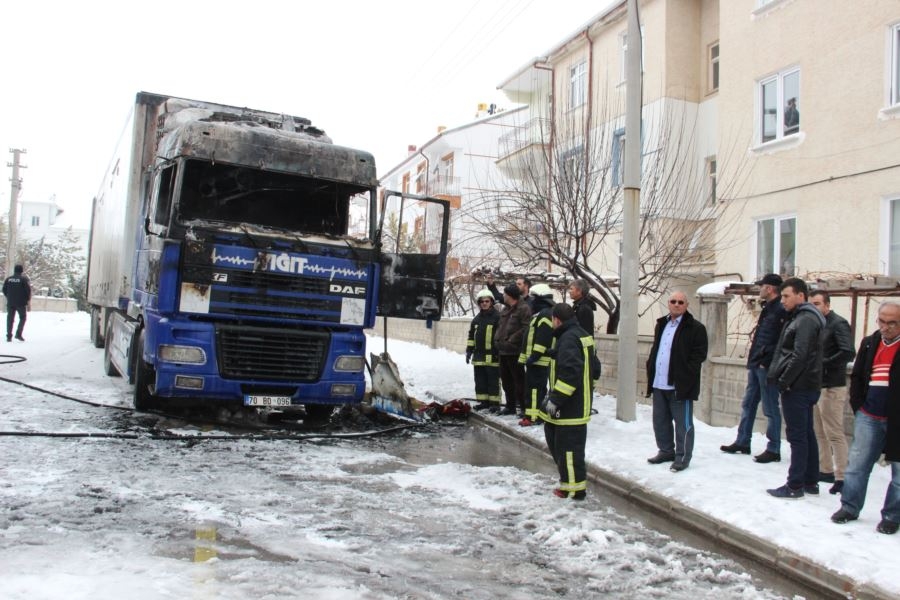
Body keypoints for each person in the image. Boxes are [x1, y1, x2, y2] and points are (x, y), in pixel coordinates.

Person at [831, 302, 900, 535]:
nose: (886, 327)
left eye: (893, 323)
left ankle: (892, 516)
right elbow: (858, 376)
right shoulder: (869, 343)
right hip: (869, 415)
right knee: (857, 466)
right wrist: (859, 406)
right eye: (882, 321)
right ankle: (849, 507)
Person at [766, 277, 825, 499]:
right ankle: (810, 481)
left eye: (786, 296)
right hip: (803, 385)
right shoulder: (801, 317)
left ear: (801, 295)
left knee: (798, 436)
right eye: (782, 296)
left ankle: (795, 485)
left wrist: (784, 382)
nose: (783, 300)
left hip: (799, 386)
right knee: (806, 433)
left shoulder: (806, 319)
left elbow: (799, 355)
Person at [721, 273, 787, 463]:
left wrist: (766, 361)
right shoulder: (769, 308)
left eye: (762, 286)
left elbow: (780, 341)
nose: (760, 289)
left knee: (770, 408)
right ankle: (742, 441)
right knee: (748, 403)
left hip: (766, 366)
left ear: (770, 288)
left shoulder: (780, 310)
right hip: (757, 363)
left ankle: (773, 448)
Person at [539, 302, 598, 500]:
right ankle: (570, 484)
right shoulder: (580, 334)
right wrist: (556, 353)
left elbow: (571, 372)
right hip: (577, 404)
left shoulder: (568, 339)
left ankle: (574, 490)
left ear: (556, 319)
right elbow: (593, 366)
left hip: (570, 408)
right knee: (563, 447)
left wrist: (555, 400)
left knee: (568, 451)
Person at [646, 291, 709, 472]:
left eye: (681, 302)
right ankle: (666, 451)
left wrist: (685, 375)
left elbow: (699, 355)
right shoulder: (662, 324)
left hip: (679, 385)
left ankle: (682, 457)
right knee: (660, 420)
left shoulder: (695, 328)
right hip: (659, 383)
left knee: (683, 424)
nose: (676, 304)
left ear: (686, 305)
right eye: (673, 301)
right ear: (668, 303)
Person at [809, 290, 856, 494]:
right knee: (819, 432)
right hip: (817, 384)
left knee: (834, 433)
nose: (815, 307)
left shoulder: (838, 323)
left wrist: (823, 364)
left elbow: (848, 351)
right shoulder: (816, 324)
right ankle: (825, 469)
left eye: (818, 303)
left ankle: (842, 475)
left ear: (827, 305)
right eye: (811, 304)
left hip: (832, 386)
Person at [518, 283, 555, 427]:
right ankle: (536, 414)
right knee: (536, 389)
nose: (531, 301)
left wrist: (535, 356)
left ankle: (532, 417)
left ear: (540, 299)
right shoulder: (540, 314)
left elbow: (543, 338)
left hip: (539, 361)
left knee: (533, 390)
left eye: (533, 298)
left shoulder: (545, 314)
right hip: (536, 361)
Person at [494, 283, 532, 417]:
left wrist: (512, 339)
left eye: (504, 294)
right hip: (503, 351)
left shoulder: (523, 309)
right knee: (506, 381)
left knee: (519, 381)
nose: (503, 296)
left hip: (515, 351)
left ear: (510, 295)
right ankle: (510, 406)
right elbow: (501, 326)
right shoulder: (505, 309)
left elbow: (526, 328)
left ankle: (523, 407)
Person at [466, 289, 501, 412]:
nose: (484, 303)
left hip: (493, 356)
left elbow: (501, 336)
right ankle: (483, 402)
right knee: (480, 381)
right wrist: (469, 351)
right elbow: (471, 336)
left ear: (491, 302)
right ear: (479, 303)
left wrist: (499, 352)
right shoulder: (476, 319)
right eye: (482, 302)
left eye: (487, 301)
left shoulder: (498, 317)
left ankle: (494, 404)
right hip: (479, 356)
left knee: (493, 381)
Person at [3, 264, 32, 342]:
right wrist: (27, 300)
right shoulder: (23, 280)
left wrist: (9, 297)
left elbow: (4, 290)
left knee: (10, 319)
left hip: (10, 302)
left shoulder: (8, 279)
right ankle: (18, 334)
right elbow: (28, 291)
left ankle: (9, 336)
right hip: (21, 303)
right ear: (21, 271)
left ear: (14, 270)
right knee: (23, 318)